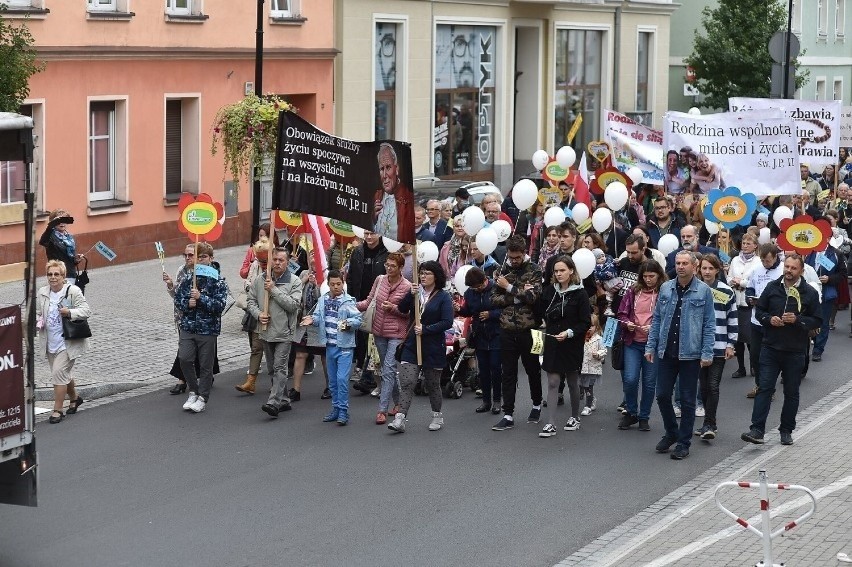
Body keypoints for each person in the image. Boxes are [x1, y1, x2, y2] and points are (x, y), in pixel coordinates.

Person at [741, 254, 822, 446]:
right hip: (770, 347)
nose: (789, 271)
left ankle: (786, 430)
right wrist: (769, 319)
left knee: (791, 392)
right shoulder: (772, 287)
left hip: (795, 350)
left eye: (793, 268)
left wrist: (799, 320)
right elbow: (760, 311)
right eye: (787, 267)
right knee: (765, 388)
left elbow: (818, 320)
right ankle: (757, 429)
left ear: (801, 271)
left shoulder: (809, 293)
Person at [645, 250, 716, 460]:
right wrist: (651, 346)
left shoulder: (703, 291)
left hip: (691, 354)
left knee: (687, 400)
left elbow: (709, 324)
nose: (681, 266)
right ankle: (671, 432)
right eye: (678, 263)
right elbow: (656, 319)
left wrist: (707, 352)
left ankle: (683, 443)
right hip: (667, 351)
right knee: (663, 395)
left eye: (685, 263)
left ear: (694, 266)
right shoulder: (666, 288)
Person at [388, 261, 453, 433]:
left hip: (432, 347)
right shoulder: (416, 293)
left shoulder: (443, 297)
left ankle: (437, 415)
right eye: (421, 273)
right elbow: (402, 309)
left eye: (427, 273)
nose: (423, 276)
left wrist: (427, 330)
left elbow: (447, 322)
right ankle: (400, 418)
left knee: (432, 384)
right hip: (411, 345)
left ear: (436, 276)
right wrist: (410, 294)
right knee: (408, 382)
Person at [490, 235, 544, 431]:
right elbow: (494, 298)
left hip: (529, 329)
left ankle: (536, 404)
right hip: (506, 329)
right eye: (511, 258)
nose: (514, 261)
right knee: (509, 373)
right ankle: (508, 414)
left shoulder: (534, 270)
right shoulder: (502, 270)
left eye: (518, 258)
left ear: (524, 254)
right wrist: (515, 297)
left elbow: (532, 297)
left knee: (532, 370)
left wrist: (509, 287)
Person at [535, 256, 591, 437]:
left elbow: (585, 322)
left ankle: (575, 417)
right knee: (552, 382)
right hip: (552, 340)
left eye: (562, 270)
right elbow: (539, 312)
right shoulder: (550, 291)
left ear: (571, 271)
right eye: (556, 271)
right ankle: (550, 423)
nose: (558, 274)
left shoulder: (580, 294)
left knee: (573, 381)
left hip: (571, 343)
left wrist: (569, 333)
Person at [246, 246, 303, 418]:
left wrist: (274, 290)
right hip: (265, 331)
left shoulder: (294, 281)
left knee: (280, 367)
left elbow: (293, 306)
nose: (277, 263)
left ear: (287, 262)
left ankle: (274, 402)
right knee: (271, 369)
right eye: (275, 260)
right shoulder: (259, 280)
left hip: (284, 333)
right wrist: (258, 314)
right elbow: (251, 301)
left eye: (281, 260)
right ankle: (284, 399)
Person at [356, 252, 411, 425]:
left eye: (392, 266)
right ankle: (398, 403)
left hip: (396, 333)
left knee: (387, 369)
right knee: (389, 371)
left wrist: (394, 308)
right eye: (387, 265)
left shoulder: (407, 286)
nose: (388, 268)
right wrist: (351, 305)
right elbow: (369, 301)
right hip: (378, 331)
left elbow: (409, 313)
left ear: (401, 267)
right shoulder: (380, 280)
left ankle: (382, 410)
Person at [173, 242, 229, 413]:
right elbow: (178, 300)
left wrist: (201, 298)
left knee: (206, 365)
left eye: (203, 257)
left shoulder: (218, 281)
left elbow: (220, 306)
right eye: (197, 257)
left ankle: (203, 397)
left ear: (211, 258)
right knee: (185, 358)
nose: (199, 260)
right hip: (188, 326)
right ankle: (193, 390)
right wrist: (187, 304)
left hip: (207, 329)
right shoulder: (189, 278)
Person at [303, 270, 362, 425]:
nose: (336, 287)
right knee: (333, 381)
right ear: (328, 285)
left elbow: (358, 320)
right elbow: (317, 317)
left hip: (345, 346)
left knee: (342, 379)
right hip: (329, 345)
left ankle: (343, 411)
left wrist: (348, 324)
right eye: (333, 284)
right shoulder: (323, 300)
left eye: (339, 284)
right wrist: (311, 320)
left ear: (343, 284)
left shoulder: (348, 301)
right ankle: (335, 409)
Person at [36, 260, 91, 424]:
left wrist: (69, 312)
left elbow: (86, 310)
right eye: (50, 274)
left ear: (63, 276)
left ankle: (57, 410)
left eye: (56, 274)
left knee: (58, 374)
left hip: (67, 342)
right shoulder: (43, 292)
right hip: (49, 341)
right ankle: (75, 398)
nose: (53, 277)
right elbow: (40, 313)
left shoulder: (72, 291)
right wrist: (39, 321)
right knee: (62, 374)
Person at [617, 259, 666, 431]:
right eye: (645, 276)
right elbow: (621, 313)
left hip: (652, 345)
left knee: (649, 382)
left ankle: (644, 416)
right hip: (633, 341)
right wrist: (627, 323)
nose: (648, 280)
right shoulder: (632, 291)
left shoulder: (664, 292)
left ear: (659, 275)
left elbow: (668, 318)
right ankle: (631, 411)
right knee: (630, 379)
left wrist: (654, 328)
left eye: (651, 276)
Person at [694, 254, 738, 440]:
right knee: (703, 387)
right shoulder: (694, 288)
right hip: (698, 346)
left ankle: (710, 424)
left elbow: (732, 318)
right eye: (704, 268)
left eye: (711, 268)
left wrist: (731, 343)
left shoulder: (726, 291)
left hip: (719, 345)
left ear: (717, 270)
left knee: (713, 385)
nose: (707, 272)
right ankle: (708, 422)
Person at [346, 230, 388, 391]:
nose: (369, 237)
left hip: (379, 303)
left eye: (372, 234)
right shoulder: (358, 252)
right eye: (366, 234)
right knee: (362, 338)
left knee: (374, 340)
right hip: (360, 301)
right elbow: (351, 277)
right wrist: (351, 299)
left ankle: (369, 376)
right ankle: (364, 369)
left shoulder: (386, 252)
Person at [457, 267, 502, 414]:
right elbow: (468, 311)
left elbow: (506, 310)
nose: (477, 290)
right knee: (483, 370)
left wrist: (491, 314)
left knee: (495, 367)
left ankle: (497, 400)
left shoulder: (496, 288)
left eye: (479, 287)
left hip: (496, 333)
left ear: (484, 280)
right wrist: (458, 309)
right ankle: (486, 401)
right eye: (474, 288)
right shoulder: (470, 293)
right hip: (480, 334)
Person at [744, 243, 784, 398]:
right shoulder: (757, 270)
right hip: (756, 320)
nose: (765, 264)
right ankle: (760, 385)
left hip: (774, 321)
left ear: (775, 257)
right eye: (762, 260)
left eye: (767, 261)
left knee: (771, 357)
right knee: (755, 356)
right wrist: (750, 298)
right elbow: (750, 287)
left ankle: (769, 388)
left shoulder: (782, 271)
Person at [235, 238, 269, 395]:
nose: (262, 262)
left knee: (273, 350)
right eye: (260, 259)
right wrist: (252, 287)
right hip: (256, 312)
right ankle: (251, 382)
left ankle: (277, 383)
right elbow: (247, 282)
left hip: (273, 316)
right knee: (256, 347)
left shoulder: (277, 266)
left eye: (264, 260)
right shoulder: (255, 265)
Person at [290, 269, 330, 401]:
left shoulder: (326, 274)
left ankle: (330, 386)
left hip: (320, 322)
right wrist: (304, 281)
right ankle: (296, 390)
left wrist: (317, 285)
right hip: (303, 321)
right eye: (310, 253)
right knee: (300, 354)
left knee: (325, 356)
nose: (313, 257)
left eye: (315, 253)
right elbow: (295, 294)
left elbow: (326, 299)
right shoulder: (303, 274)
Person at [727, 233, 761, 379]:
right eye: (744, 243)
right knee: (738, 338)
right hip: (736, 302)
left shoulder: (758, 262)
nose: (745, 246)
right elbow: (728, 277)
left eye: (748, 243)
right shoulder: (735, 260)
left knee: (750, 339)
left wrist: (741, 282)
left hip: (748, 303)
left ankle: (754, 365)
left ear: (755, 245)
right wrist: (732, 281)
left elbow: (756, 281)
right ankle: (741, 367)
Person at [808, 243, 846, 361]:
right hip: (809, 291)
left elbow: (842, 274)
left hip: (826, 292)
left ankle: (818, 350)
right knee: (809, 320)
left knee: (823, 322)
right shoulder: (809, 250)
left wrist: (829, 279)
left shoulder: (836, 253)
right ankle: (811, 341)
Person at [373, 142, 415, 242]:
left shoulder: (408, 198)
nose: (384, 175)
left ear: (396, 169)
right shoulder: (377, 196)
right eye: (381, 169)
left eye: (388, 167)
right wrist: (373, 217)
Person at [39, 209, 84, 285]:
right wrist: (50, 226)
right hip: (57, 275)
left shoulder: (69, 237)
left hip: (71, 274)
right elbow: (43, 241)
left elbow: (70, 258)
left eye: (64, 220)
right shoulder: (50, 236)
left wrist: (76, 259)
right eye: (58, 221)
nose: (62, 223)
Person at [579, 313, 606, 416]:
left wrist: (598, 354)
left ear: (596, 327)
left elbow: (604, 350)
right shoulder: (581, 338)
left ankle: (588, 406)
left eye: (592, 326)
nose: (589, 328)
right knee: (581, 385)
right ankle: (592, 399)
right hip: (582, 366)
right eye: (588, 326)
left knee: (589, 386)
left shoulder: (598, 339)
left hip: (592, 368)